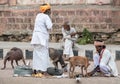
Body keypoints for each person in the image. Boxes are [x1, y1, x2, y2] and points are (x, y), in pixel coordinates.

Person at [31, 3, 53, 76]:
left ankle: (36, 70)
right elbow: (49, 27)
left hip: (35, 38)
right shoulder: (46, 17)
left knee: (36, 54)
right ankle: (44, 71)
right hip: (42, 39)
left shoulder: (38, 15)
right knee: (43, 54)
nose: (50, 11)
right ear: (47, 10)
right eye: (50, 10)